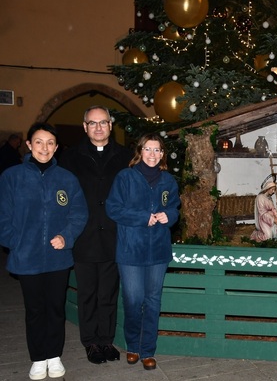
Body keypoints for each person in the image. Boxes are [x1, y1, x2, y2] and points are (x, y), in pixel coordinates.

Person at [0, 122, 88, 380]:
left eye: (50, 143)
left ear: (56, 147)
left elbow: (79, 213)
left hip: (57, 258)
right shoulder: (11, 177)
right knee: (35, 309)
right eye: (38, 141)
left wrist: (66, 236)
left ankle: (54, 355)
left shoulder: (67, 179)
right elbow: (3, 216)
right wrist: (15, 242)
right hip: (26, 258)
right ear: (29, 145)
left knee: (55, 308)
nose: (44, 147)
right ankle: (38, 357)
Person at [59, 106, 132, 364]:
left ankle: (106, 340)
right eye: (93, 123)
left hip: (114, 236)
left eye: (103, 123)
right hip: (84, 237)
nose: (98, 128)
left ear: (111, 126)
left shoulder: (125, 156)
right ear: (84, 126)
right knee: (87, 293)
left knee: (108, 294)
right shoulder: (70, 158)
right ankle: (90, 342)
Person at [105, 133, 180, 371]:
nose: (153, 154)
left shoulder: (168, 180)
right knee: (133, 299)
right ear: (140, 151)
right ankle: (133, 345)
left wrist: (170, 215)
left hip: (158, 251)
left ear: (162, 154)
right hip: (131, 251)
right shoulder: (125, 177)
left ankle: (148, 350)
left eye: (157, 150)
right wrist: (142, 218)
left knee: (153, 301)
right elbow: (113, 208)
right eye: (148, 149)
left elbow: (174, 206)